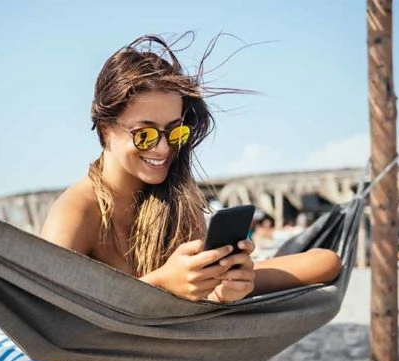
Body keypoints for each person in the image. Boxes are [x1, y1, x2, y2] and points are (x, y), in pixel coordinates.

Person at [41, 33, 341, 303]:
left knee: (326, 262)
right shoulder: (77, 212)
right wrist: (161, 284)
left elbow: (200, 293)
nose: (163, 148)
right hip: (108, 352)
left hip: (177, 343)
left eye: (175, 132)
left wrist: (226, 287)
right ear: (106, 129)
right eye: (144, 135)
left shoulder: (174, 198)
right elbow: (53, 318)